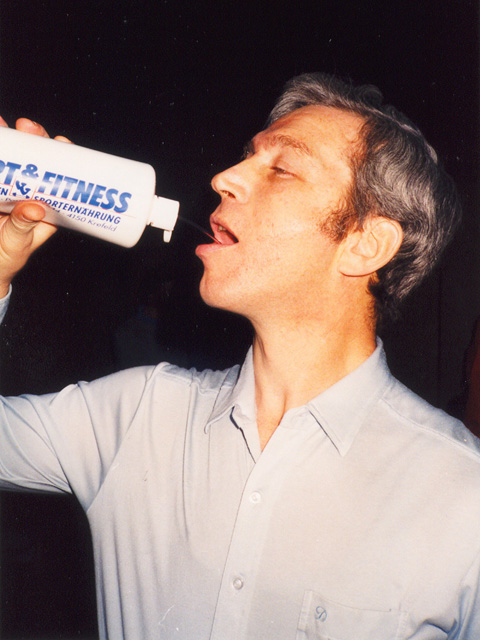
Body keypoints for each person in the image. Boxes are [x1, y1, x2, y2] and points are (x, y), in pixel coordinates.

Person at [0, 73, 479, 640]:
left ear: (365, 245)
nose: (223, 178)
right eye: (248, 156)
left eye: (282, 169)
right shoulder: (135, 415)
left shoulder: (460, 493)